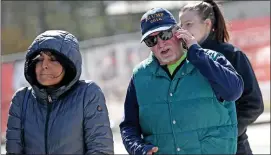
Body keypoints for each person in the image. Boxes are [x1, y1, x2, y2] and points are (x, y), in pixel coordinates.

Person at [119, 7, 244, 154]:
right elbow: (128, 126)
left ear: (178, 32)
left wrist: (197, 54)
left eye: (164, 35)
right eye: (151, 40)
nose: (160, 44)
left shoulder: (212, 59)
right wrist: (138, 149)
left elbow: (234, 92)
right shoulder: (139, 76)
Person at [6, 30, 114, 154]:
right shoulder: (21, 99)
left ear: (68, 65)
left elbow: (101, 150)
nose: (44, 65)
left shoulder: (88, 94)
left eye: (53, 59)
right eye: (39, 59)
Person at [178, 1, 264, 154]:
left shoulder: (232, 54)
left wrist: (226, 133)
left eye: (189, 24)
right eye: (181, 24)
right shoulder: (181, 58)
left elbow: (253, 104)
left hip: (234, 148)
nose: (182, 29)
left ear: (207, 24)